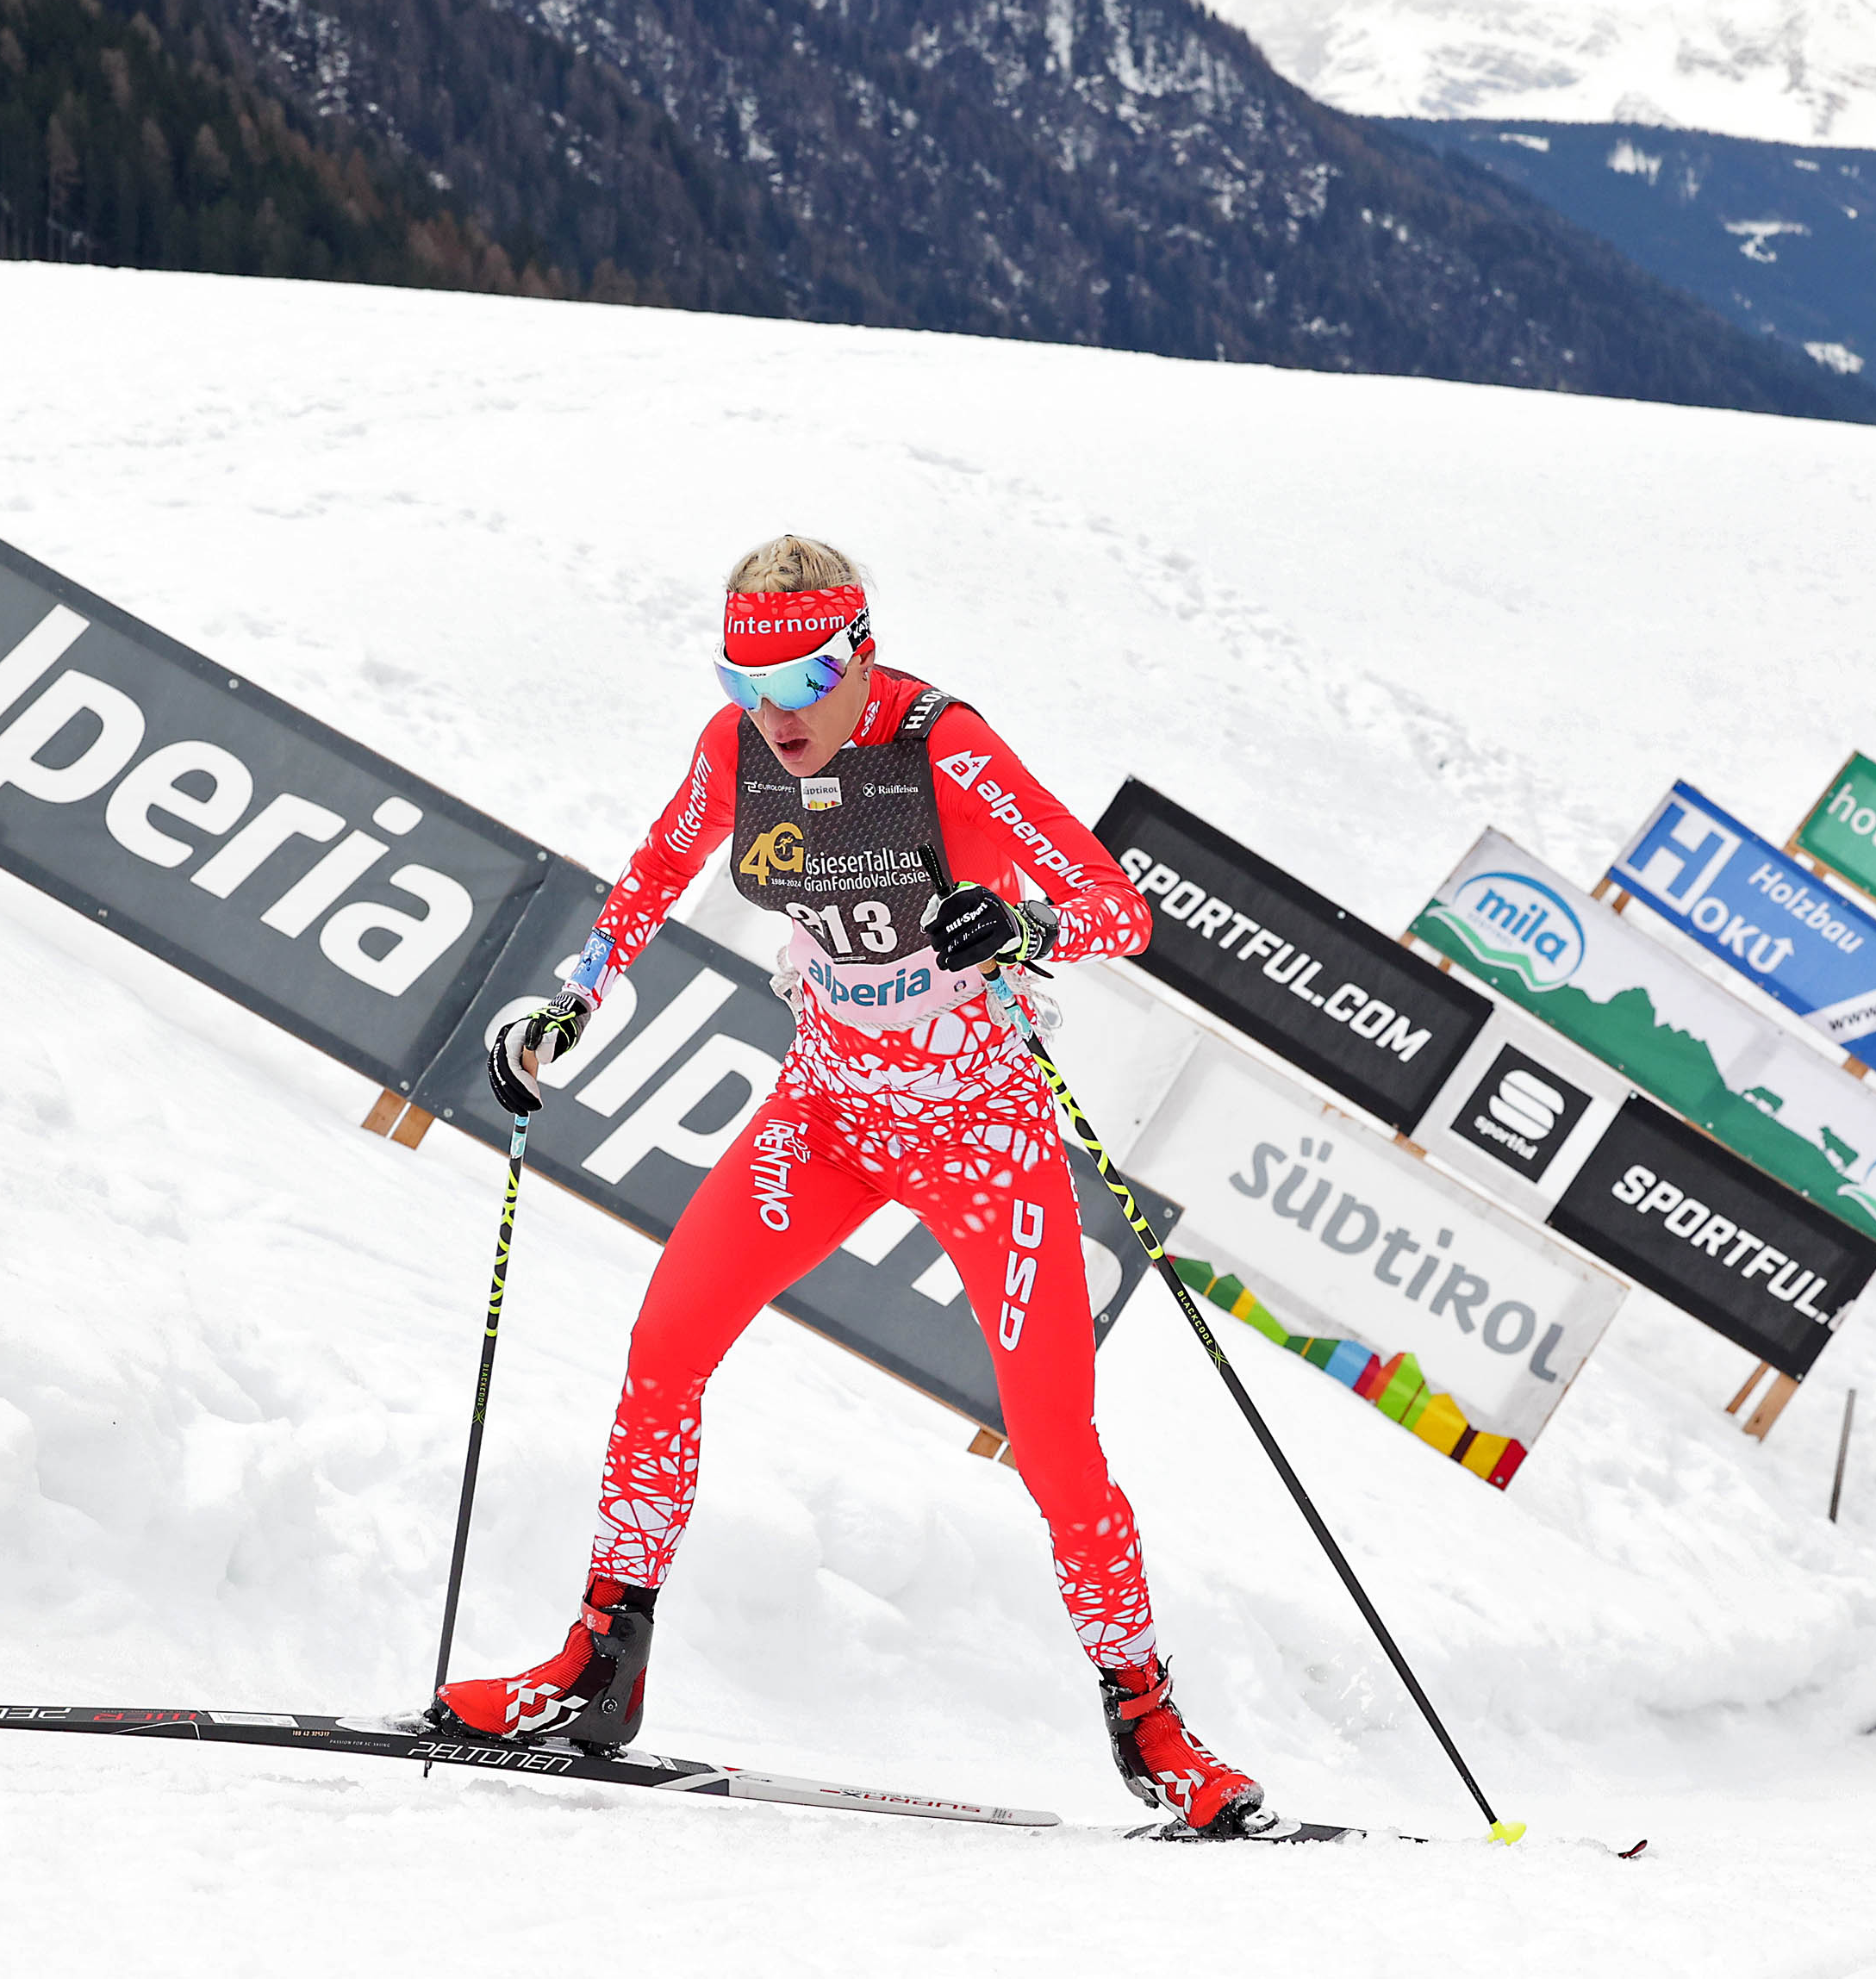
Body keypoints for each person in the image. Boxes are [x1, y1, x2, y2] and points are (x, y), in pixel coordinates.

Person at [428, 533, 1269, 1834]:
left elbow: (1119, 908)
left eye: (806, 679)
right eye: (743, 680)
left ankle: (1152, 1727)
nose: (776, 713)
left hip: (985, 1138)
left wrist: (1031, 923)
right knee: (664, 1345)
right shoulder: (738, 749)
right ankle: (599, 1664)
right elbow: (654, 875)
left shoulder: (945, 745)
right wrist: (570, 998)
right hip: (826, 1117)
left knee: (1055, 1444)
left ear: (859, 653)